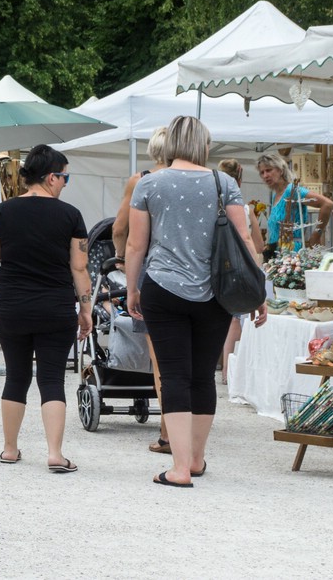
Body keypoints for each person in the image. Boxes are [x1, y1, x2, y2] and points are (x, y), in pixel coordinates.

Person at [125, 116, 267, 488]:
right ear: (205, 145)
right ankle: (198, 459)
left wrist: (131, 289)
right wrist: (258, 289)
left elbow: (136, 244)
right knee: (203, 375)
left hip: (163, 287)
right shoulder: (224, 183)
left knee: (174, 376)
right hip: (215, 294)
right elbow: (243, 239)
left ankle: (180, 467)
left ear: (170, 143)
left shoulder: (149, 184)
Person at [0, 145, 92, 472]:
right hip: (55, 308)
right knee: (52, 378)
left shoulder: (2, 213)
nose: (66, 183)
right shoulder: (71, 215)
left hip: (13, 308)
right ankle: (55, 454)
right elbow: (79, 269)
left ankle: (10, 449)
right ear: (52, 177)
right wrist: (86, 309)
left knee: (16, 375)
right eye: (65, 176)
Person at [110, 127, 172, 455]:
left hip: (153, 272)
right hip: (193, 275)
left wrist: (121, 260)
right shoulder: (199, 178)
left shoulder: (142, 180)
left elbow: (121, 228)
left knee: (161, 360)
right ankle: (189, 423)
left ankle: (168, 433)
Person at [217, 158, 265, 386]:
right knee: (243, 320)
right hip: (244, 267)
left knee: (230, 321)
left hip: (222, 268)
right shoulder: (246, 210)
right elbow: (259, 245)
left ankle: (226, 371)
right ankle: (244, 372)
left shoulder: (214, 206)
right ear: (240, 180)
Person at [255, 152, 333, 260]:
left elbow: (327, 204)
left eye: (269, 170)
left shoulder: (292, 191)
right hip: (277, 256)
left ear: (281, 170)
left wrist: (316, 235)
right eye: (262, 172)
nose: (265, 175)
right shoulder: (275, 196)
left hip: (292, 255)